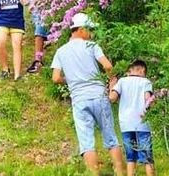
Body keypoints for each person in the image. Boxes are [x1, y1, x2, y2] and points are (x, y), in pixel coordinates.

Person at [51, 13, 125, 176]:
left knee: (87, 143)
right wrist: (112, 81)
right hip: (99, 96)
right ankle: (120, 173)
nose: (91, 33)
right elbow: (107, 65)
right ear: (81, 29)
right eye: (89, 30)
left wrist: (70, 80)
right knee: (111, 137)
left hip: (79, 100)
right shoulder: (92, 46)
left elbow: (55, 78)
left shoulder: (61, 52)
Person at [109, 60, 155, 176]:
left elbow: (112, 98)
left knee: (130, 157)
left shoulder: (122, 81)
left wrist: (111, 86)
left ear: (131, 70)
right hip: (143, 124)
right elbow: (148, 100)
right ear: (142, 70)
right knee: (147, 158)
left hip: (126, 124)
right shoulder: (146, 82)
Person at [26, 0, 63, 74]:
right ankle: (38, 60)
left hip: (61, 6)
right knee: (39, 28)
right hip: (46, 6)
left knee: (59, 32)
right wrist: (33, 3)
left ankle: (59, 62)